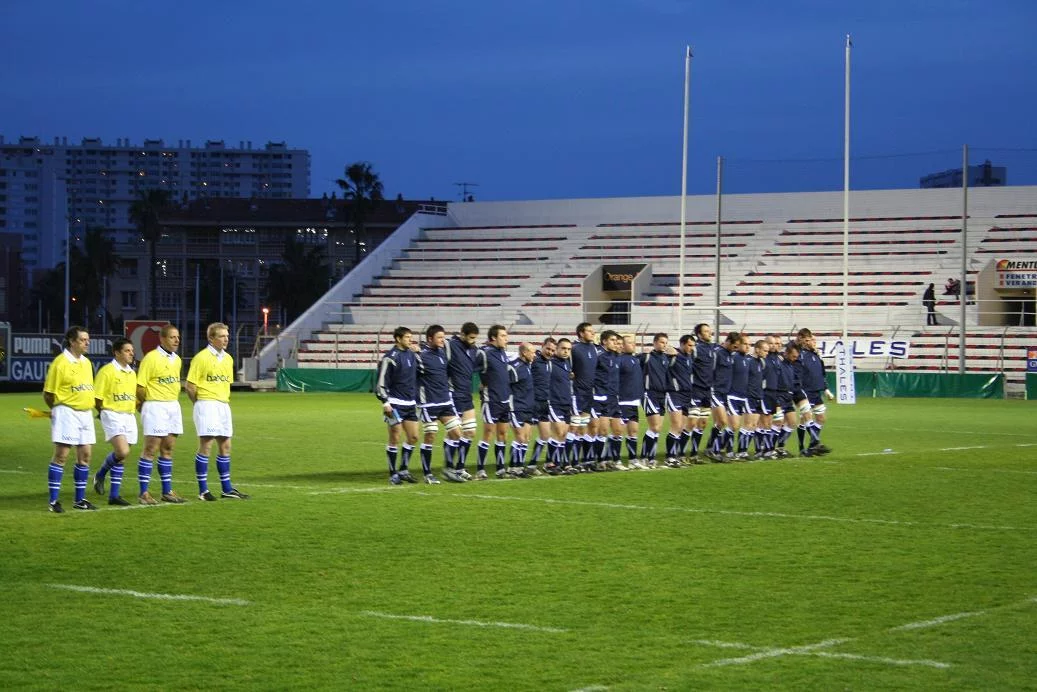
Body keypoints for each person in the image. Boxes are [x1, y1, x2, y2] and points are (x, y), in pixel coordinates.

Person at [185, 322, 249, 501]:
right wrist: (199, 404)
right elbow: (190, 386)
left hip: (223, 405)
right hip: (206, 404)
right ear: (211, 338)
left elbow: (225, 383)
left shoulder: (228, 359)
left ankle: (226, 489)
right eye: (222, 336)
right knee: (206, 445)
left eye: (227, 336)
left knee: (226, 445)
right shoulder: (201, 358)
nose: (226, 339)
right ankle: (203, 490)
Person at [42, 326, 97, 512]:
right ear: (72, 341)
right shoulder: (60, 363)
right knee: (61, 456)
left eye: (87, 340)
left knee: (86, 456)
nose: (87, 343)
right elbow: (48, 394)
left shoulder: (87, 363)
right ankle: (53, 502)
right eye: (83, 340)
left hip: (85, 413)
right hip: (67, 412)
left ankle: (79, 500)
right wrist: (57, 410)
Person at [136, 323, 186, 504]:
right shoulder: (151, 358)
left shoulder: (177, 360)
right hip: (155, 406)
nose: (176, 340)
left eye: (178, 337)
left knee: (168, 449)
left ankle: (167, 492)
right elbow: (140, 387)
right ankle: (144, 493)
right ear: (162, 339)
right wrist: (145, 404)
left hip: (173, 406)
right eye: (173, 337)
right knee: (150, 450)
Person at [91, 337, 137, 506]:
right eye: (127, 351)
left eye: (132, 350)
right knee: (122, 451)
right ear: (117, 353)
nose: (131, 353)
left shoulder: (132, 373)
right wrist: (103, 412)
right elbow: (97, 397)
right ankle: (101, 474)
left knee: (122, 457)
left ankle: (114, 495)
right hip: (112, 413)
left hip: (128, 415)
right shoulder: (107, 371)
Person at [376, 326, 421, 485]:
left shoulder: (412, 354)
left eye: (411, 336)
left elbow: (422, 372)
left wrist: (419, 353)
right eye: (407, 337)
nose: (410, 339)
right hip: (394, 404)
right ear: (398, 339)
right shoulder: (390, 357)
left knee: (414, 437)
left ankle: (403, 469)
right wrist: (385, 402)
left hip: (410, 403)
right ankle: (393, 473)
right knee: (395, 436)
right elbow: (381, 382)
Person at [416, 325, 461, 484]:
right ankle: (427, 474)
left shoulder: (442, 353)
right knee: (431, 435)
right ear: (429, 339)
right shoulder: (420, 356)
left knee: (456, 433)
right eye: (439, 338)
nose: (443, 340)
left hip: (445, 401)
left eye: (443, 337)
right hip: (428, 403)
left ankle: (448, 469)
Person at [474, 325, 512, 479]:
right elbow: (471, 367)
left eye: (506, 335)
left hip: (504, 399)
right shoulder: (484, 352)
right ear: (493, 338)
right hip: (491, 400)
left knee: (502, 434)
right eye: (503, 335)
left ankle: (500, 468)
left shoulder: (502, 352)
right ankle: (480, 469)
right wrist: (482, 383)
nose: (506, 338)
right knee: (488, 433)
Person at [444, 322, 480, 480]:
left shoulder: (474, 350)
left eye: (475, 338)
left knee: (470, 432)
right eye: (471, 338)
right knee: (454, 433)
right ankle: (448, 467)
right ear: (462, 334)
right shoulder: (451, 345)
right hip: (453, 393)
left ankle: (460, 468)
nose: (473, 341)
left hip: (466, 394)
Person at [794, 329, 832, 456]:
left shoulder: (816, 355)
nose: (813, 342)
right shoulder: (800, 354)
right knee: (805, 419)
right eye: (810, 340)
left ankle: (811, 446)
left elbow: (822, 374)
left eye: (814, 340)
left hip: (816, 391)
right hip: (805, 391)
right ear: (804, 341)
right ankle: (803, 447)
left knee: (821, 418)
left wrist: (826, 390)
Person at [638, 333, 672, 469]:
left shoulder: (666, 358)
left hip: (662, 395)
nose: (665, 345)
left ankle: (651, 459)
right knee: (655, 427)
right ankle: (643, 457)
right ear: (655, 343)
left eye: (666, 343)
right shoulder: (646, 357)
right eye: (662, 342)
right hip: (649, 394)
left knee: (657, 429)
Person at [571, 322, 600, 467]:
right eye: (589, 331)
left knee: (584, 426)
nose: (592, 333)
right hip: (577, 393)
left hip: (589, 393)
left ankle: (584, 460)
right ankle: (572, 461)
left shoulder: (594, 349)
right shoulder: (574, 349)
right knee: (576, 427)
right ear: (581, 333)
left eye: (592, 331)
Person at [506, 342, 537, 476]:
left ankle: (519, 466)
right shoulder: (515, 367)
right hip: (517, 407)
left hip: (528, 407)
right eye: (532, 352)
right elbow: (506, 385)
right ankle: (513, 467)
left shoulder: (528, 366)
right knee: (520, 438)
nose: (534, 355)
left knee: (526, 438)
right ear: (524, 352)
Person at [546, 338, 575, 474]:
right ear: (557, 349)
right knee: (558, 432)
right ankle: (550, 463)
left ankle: (559, 462)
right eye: (563, 348)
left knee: (563, 434)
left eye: (568, 349)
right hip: (554, 402)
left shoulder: (567, 364)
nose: (566, 351)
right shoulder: (550, 364)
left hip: (566, 402)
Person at [617, 334, 646, 469]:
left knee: (633, 431)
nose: (633, 345)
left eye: (634, 342)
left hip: (634, 402)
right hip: (623, 401)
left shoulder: (635, 359)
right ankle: (616, 460)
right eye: (629, 343)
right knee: (618, 432)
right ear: (622, 345)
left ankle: (633, 460)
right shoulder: (619, 360)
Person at [529, 337, 557, 467]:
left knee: (545, 435)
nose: (550, 352)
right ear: (542, 346)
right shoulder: (533, 360)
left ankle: (532, 464)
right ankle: (515, 466)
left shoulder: (550, 363)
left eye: (552, 350)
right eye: (548, 349)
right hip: (532, 403)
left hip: (545, 403)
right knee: (524, 437)